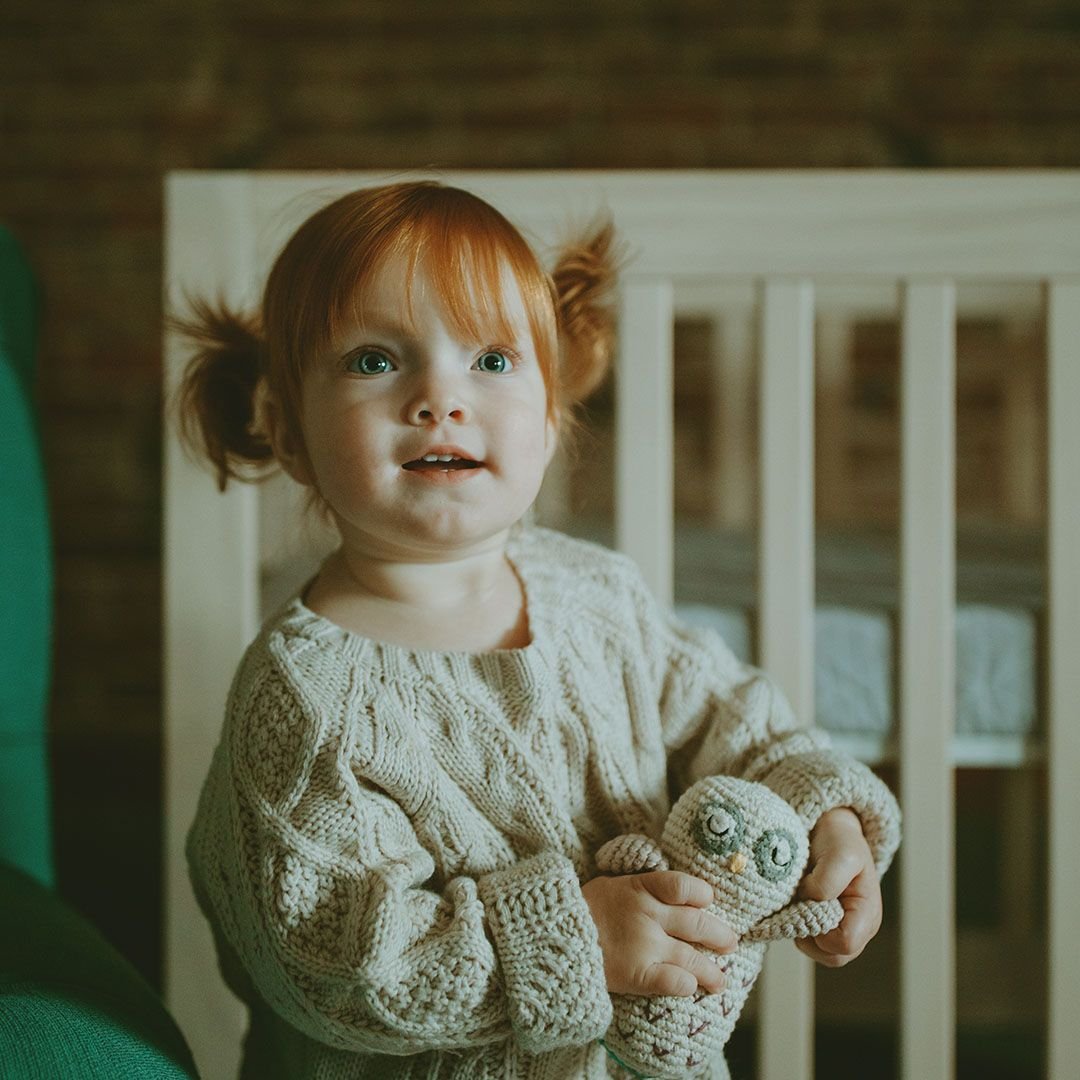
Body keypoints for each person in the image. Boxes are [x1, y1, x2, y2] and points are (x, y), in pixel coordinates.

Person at [177, 179, 901, 1080]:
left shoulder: (599, 595)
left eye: (489, 361)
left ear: (550, 419)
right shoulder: (306, 697)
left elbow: (730, 719)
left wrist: (822, 811)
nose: (441, 396)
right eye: (373, 360)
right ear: (286, 431)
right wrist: (575, 939)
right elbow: (331, 963)